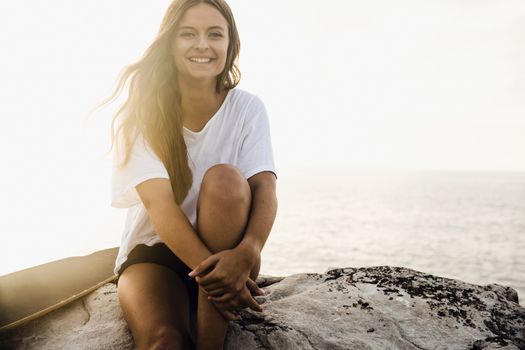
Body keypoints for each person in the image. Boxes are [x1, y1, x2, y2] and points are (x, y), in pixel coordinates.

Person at [106, 1, 278, 349]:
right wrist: (217, 278)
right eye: (188, 34)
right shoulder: (145, 112)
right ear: (170, 43)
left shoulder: (247, 109)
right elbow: (159, 206)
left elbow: (265, 188)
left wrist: (247, 252)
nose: (203, 44)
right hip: (157, 254)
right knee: (164, 340)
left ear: (230, 45)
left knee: (227, 180)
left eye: (215, 34)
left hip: (229, 251)